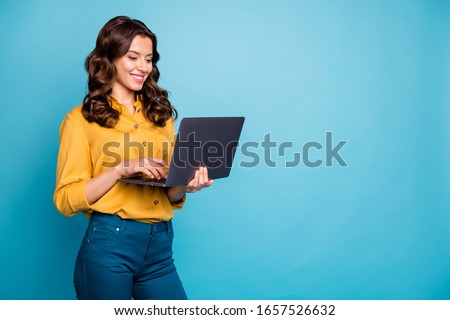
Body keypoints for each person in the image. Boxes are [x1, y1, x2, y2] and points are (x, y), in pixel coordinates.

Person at [53, 16, 213, 300]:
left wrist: (184, 187)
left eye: (149, 59)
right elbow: (66, 200)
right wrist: (119, 170)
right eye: (133, 57)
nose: (143, 67)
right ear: (110, 58)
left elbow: (168, 194)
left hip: (161, 247)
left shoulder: (161, 117)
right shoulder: (80, 121)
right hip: (110, 245)